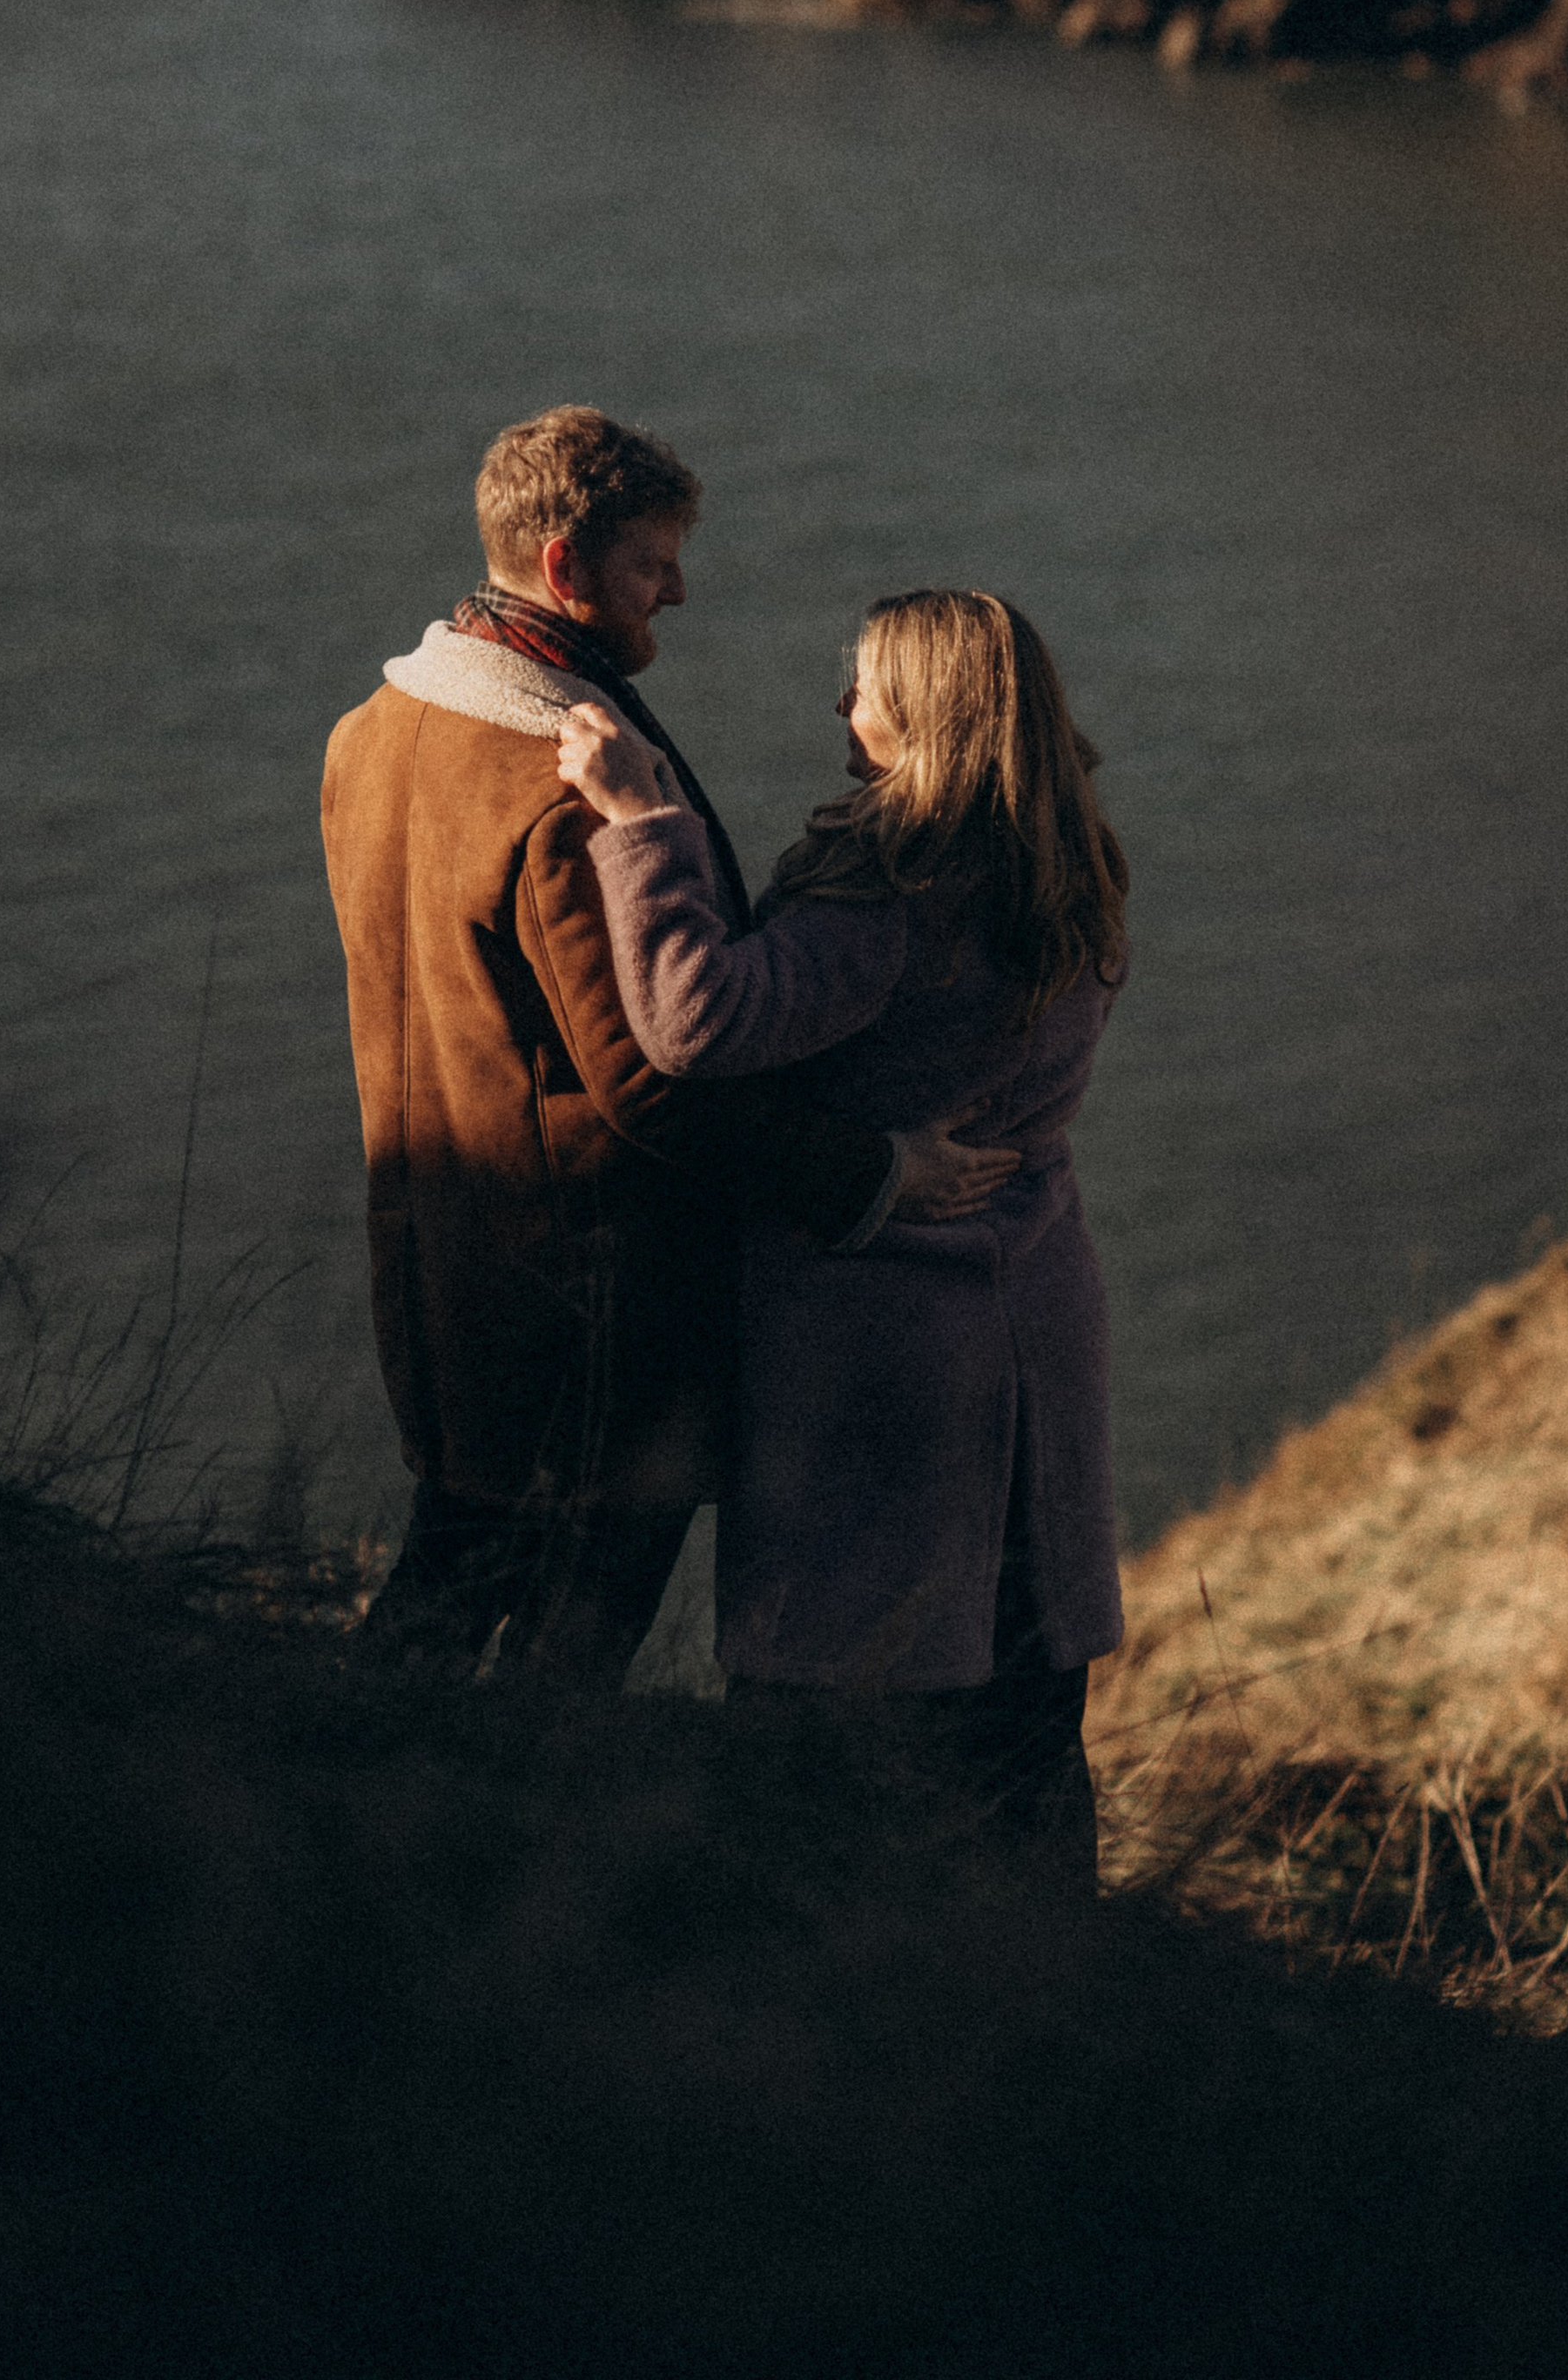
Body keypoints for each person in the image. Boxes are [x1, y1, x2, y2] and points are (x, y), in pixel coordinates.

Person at [319, 408, 1014, 1687]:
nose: (678, 592)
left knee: (437, 1603)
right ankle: (491, 1872)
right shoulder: (561, 786)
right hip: (590, 1309)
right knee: (562, 1669)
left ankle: (328, 1829)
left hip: (438, 1264)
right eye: (653, 564)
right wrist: (871, 1174)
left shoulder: (368, 738)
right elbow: (648, 1079)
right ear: (568, 567)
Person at [557, 587, 1127, 1889]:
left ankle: (839, 1992)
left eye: (862, 685)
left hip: (885, 1334)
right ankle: (1051, 1986)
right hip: (1038, 1299)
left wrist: (647, 825)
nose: (839, 709)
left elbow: (698, 1021)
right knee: (1025, 1709)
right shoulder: (1073, 865)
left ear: (925, 713)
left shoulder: (892, 888)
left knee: (848, 1701)